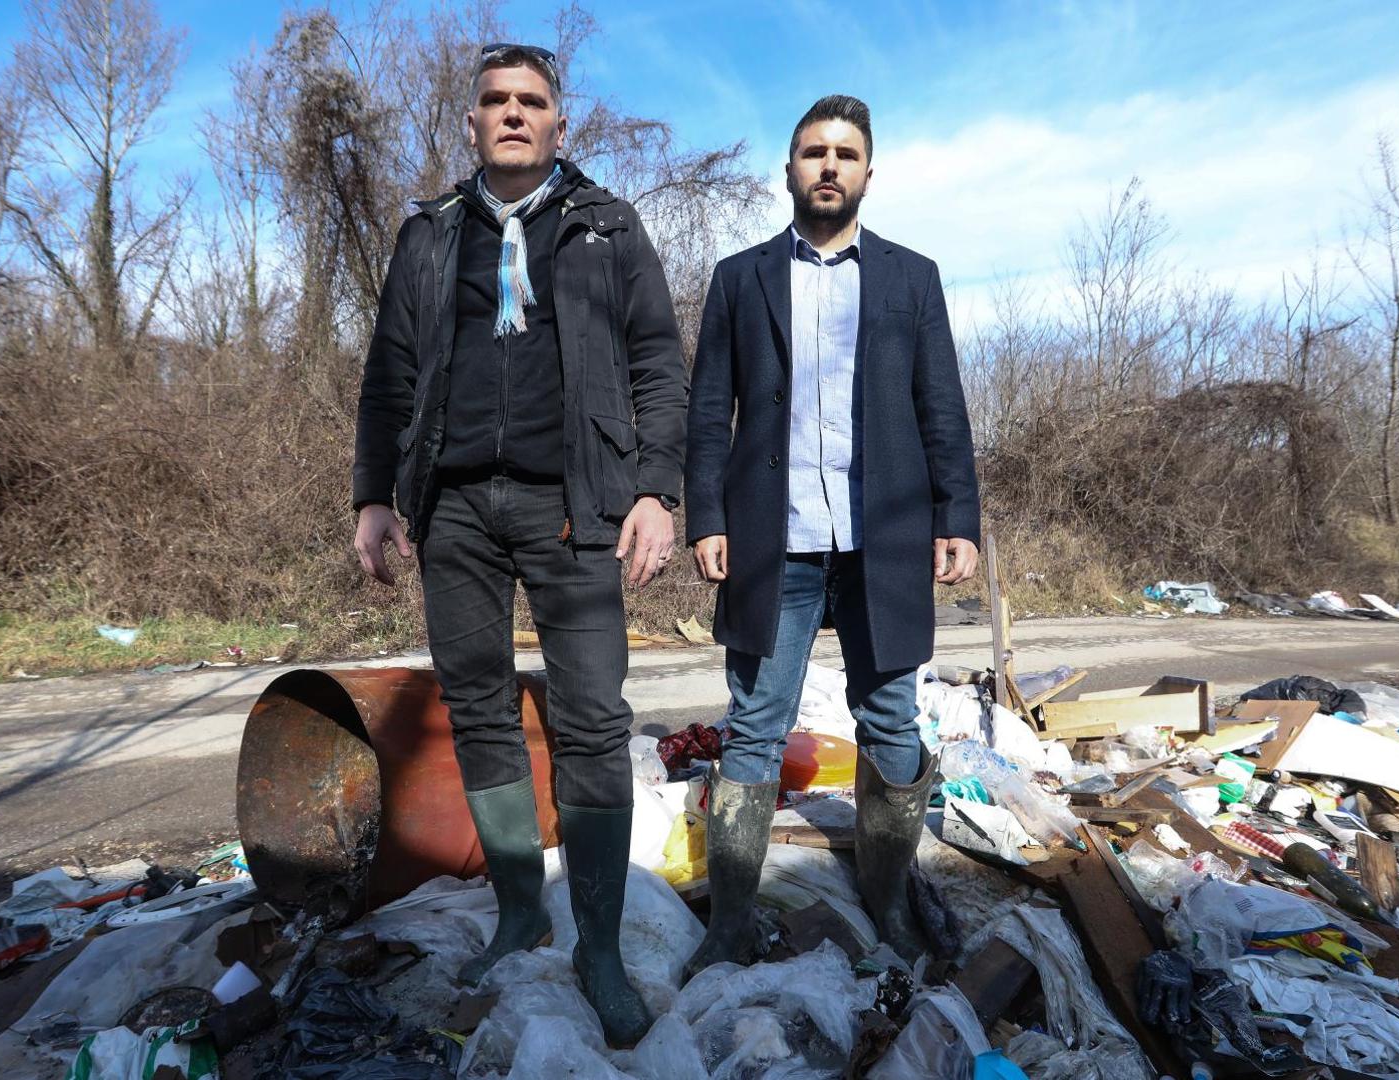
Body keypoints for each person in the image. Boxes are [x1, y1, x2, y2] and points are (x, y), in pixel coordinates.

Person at [351, 43, 687, 1046]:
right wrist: (374, 496)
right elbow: (389, 373)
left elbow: (658, 361)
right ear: (470, 122)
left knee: (591, 718)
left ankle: (599, 947)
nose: (511, 113)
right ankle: (516, 912)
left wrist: (656, 490)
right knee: (478, 709)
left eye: (529, 101)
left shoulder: (605, 227)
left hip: (573, 502)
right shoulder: (429, 233)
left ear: (557, 123)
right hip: (452, 507)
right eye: (494, 100)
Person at [683, 94, 981, 972]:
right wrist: (707, 515)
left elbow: (942, 406)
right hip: (772, 538)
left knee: (891, 721)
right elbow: (708, 409)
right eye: (814, 152)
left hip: (881, 539)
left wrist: (957, 518)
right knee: (753, 726)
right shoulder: (739, 278)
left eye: (845, 155)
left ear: (867, 175)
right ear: (789, 170)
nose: (828, 166)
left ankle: (889, 905)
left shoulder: (911, 278)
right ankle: (729, 924)